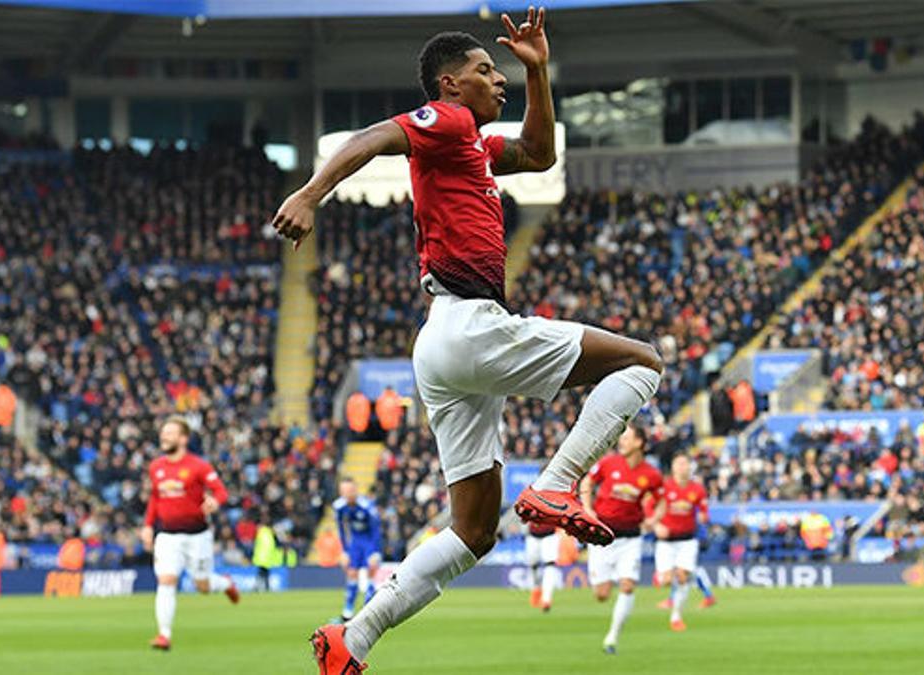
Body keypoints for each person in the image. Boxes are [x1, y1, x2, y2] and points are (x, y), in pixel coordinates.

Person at [274, 8, 663, 673]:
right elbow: (373, 136)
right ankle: (560, 482)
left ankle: (353, 637)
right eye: (488, 71)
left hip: (443, 346)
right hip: (471, 325)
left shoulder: (473, 149)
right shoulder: (446, 121)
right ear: (450, 85)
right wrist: (311, 193)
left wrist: (538, 70)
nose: (499, 80)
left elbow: (541, 153)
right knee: (643, 363)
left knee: (474, 531)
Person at [140, 416, 240, 651]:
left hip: (198, 535)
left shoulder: (199, 466)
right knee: (166, 580)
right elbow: (155, 498)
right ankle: (164, 635)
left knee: (202, 586)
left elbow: (221, 491)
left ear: (183, 439)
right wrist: (147, 525)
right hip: (167, 535)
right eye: (163, 432)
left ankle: (225, 583)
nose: (164, 436)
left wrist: (215, 501)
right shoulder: (156, 467)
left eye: (170, 432)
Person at [580, 425, 663, 655]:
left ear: (639, 443)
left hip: (631, 538)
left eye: (626, 438)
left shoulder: (652, 475)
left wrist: (653, 519)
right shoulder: (608, 463)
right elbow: (587, 482)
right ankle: (610, 616)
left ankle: (612, 637)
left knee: (627, 585)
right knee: (602, 595)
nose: (621, 442)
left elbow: (661, 499)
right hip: (602, 536)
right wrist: (587, 508)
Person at [652, 453, 711, 632]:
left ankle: (676, 616)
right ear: (673, 467)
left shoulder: (698, 489)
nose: (682, 467)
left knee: (683, 576)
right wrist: (655, 525)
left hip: (687, 540)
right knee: (666, 581)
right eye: (679, 463)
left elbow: (704, 510)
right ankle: (661, 576)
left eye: (685, 463)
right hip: (666, 541)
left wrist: (703, 516)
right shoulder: (663, 487)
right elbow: (649, 506)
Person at [333, 478, 383, 621]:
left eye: (349, 490)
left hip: (368, 541)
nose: (346, 493)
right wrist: (345, 550)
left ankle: (369, 611)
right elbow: (342, 529)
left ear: (355, 490)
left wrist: (375, 551)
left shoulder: (367, 506)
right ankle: (347, 613)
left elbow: (375, 530)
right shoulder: (339, 507)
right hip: (355, 542)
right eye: (343, 491)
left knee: (371, 572)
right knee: (351, 573)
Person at [524, 521, 559, 612]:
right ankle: (536, 588)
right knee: (533, 565)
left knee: (550, 565)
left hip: (550, 535)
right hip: (532, 535)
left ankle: (546, 599)